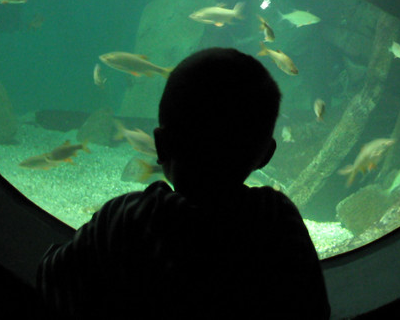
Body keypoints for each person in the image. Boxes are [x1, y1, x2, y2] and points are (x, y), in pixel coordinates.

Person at [37, 47, 331, 319]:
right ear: (266, 155)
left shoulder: (130, 217)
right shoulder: (276, 219)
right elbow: (315, 310)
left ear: (160, 146)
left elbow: (53, 281)